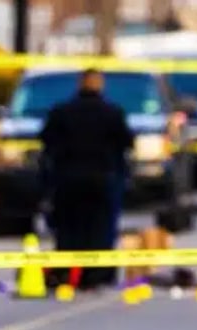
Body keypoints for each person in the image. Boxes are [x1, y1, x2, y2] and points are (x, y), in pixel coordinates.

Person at [39, 68, 133, 290]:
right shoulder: (113, 113)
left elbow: (47, 144)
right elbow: (127, 143)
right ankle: (97, 274)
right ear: (100, 85)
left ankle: (68, 273)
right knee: (100, 231)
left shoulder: (61, 112)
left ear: (80, 84)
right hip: (102, 181)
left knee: (69, 231)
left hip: (67, 181)